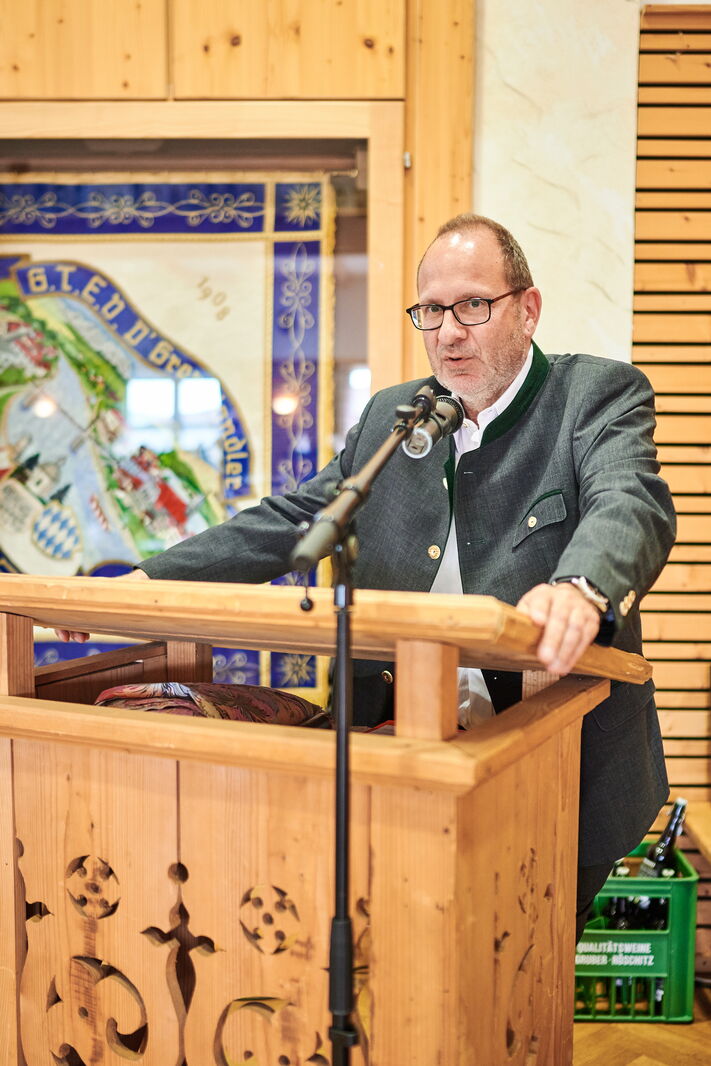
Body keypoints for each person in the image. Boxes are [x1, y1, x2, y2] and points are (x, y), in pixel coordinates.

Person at [59, 214, 676, 940]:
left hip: (553, 757)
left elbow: (627, 501)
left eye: (473, 306)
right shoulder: (395, 415)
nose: (449, 333)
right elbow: (298, 517)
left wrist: (582, 586)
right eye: (431, 312)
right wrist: (147, 580)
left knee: (521, 955)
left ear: (527, 308)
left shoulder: (593, 394)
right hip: (390, 749)